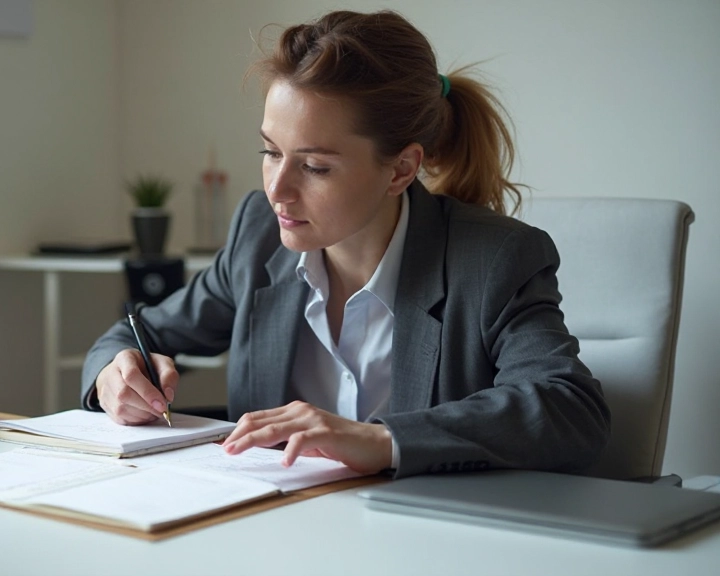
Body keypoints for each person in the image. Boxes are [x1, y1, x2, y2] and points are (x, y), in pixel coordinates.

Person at [81, 9, 610, 478]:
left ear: (401, 169)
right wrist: (114, 375)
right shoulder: (257, 236)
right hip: (267, 531)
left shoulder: (493, 259)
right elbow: (137, 333)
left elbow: (570, 409)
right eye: (270, 152)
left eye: (314, 166)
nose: (277, 190)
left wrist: (380, 440)